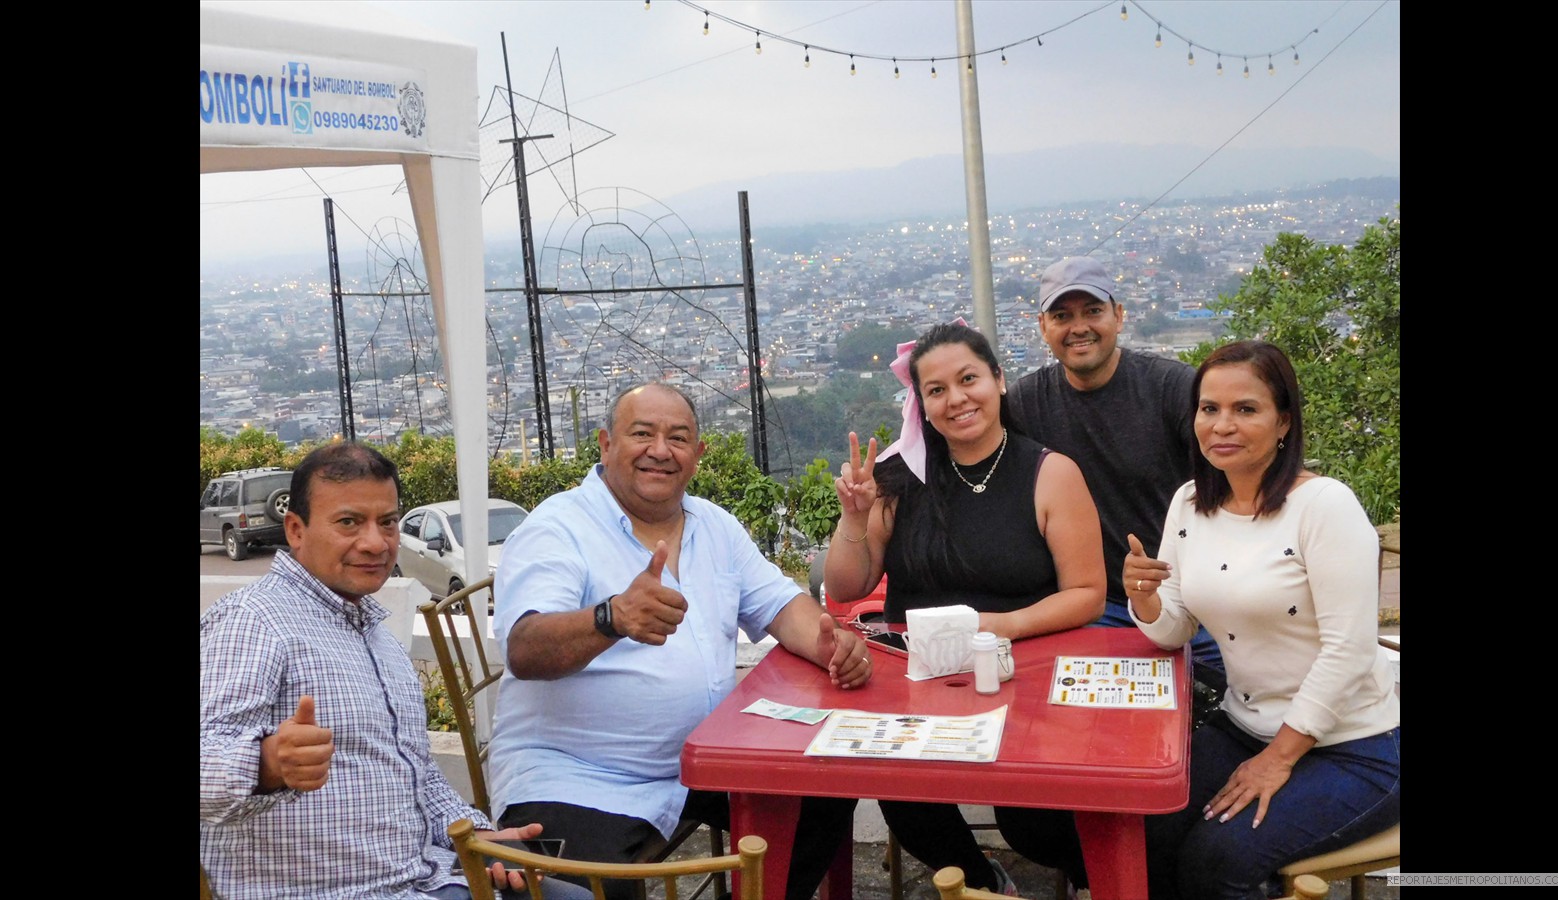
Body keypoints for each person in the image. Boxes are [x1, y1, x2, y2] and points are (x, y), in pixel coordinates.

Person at [489, 382, 869, 900]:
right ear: (604, 444)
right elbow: (524, 649)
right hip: (578, 776)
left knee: (824, 793)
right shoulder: (557, 528)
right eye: (641, 434)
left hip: (704, 761)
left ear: (697, 455)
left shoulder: (715, 526)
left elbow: (782, 606)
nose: (660, 450)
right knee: (584, 892)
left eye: (678, 437)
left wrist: (833, 646)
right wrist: (611, 617)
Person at [200, 442, 588, 900]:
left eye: (387, 522)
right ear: (296, 529)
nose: (375, 542)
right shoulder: (254, 622)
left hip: (424, 876)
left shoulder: (373, 633)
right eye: (349, 522)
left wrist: (475, 836)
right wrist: (266, 764)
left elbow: (415, 772)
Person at [825, 321, 1106, 896]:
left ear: (999, 381)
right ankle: (981, 881)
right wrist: (855, 518)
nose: (956, 399)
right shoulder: (898, 479)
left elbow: (1087, 593)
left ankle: (1095, 875)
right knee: (900, 787)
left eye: (969, 379)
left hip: (1021, 672)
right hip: (916, 679)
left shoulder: (1050, 473)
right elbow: (847, 586)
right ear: (921, 404)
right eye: (936, 389)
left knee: (1030, 819)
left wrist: (999, 627)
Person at [1123, 341, 1400, 900]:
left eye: (1245, 409)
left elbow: (1348, 649)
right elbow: (1175, 628)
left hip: (1356, 741)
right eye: (1209, 408)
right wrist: (1144, 597)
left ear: (1283, 422)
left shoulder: (1324, 507)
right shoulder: (1189, 503)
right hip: (1246, 723)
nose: (1222, 425)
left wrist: (1277, 760)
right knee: (1144, 825)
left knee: (1218, 857)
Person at [1008, 256, 1226, 689]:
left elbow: (1233, 476)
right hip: (1094, 607)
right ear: (1042, 326)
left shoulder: (1172, 388)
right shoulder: (1026, 403)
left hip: (1186, 599)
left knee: (1235, 701)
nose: (1079, 327)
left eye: (1092, 311)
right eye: (1062, 316)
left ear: (1119, 315)